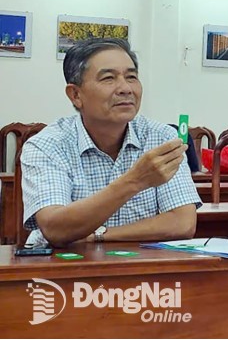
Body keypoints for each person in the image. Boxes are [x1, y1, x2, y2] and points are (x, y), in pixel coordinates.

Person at [21, 38, 201, 247]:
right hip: (59, 270)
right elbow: (55, 228)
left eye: (131, 77)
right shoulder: (46, 145)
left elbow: (182, 223)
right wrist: (135, 181)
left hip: (139, 268)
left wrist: (101, 234)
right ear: (76, 95)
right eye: (108, 78)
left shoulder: (162, 137)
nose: (125, 88)